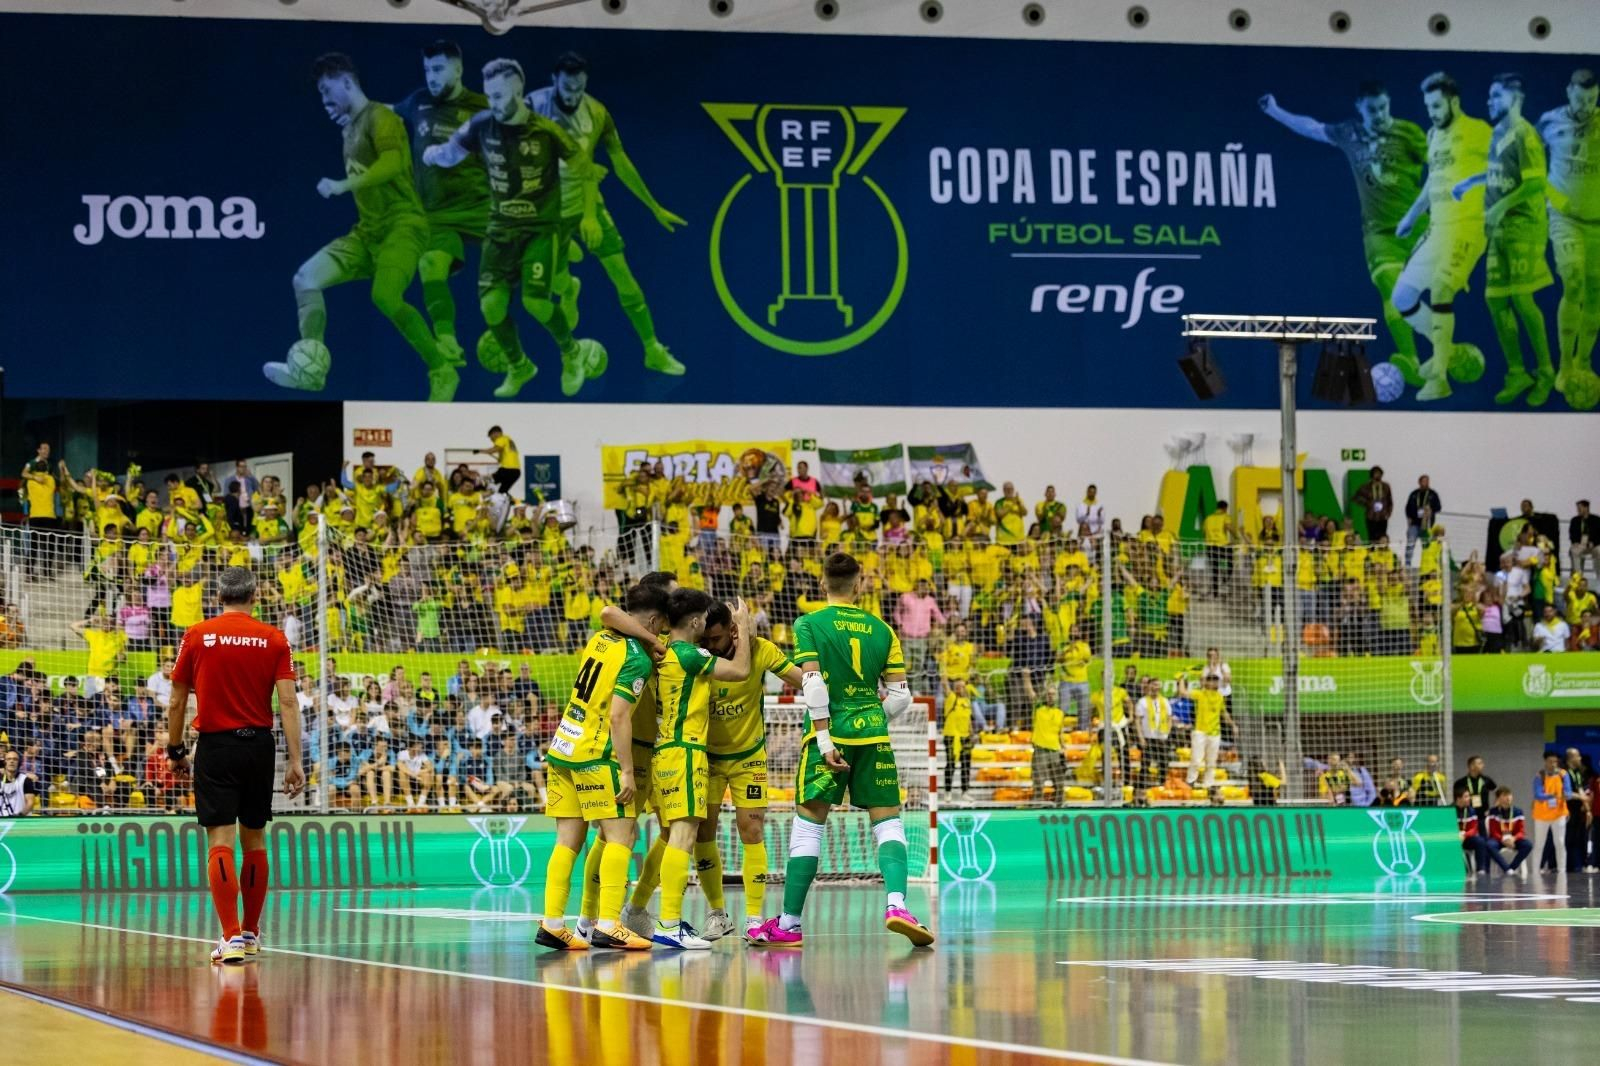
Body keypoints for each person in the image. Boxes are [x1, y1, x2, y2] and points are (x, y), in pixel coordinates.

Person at [751, 551, 934, 947]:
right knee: (888, 824)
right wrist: (870, 716)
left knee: (808, 827)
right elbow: (901, 697)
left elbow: (813, 684)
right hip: (873, 734)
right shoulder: (883, 629)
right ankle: (897, 904)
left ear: (822, 584)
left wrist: (824, 738)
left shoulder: (809, 623)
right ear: (861, 583)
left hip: (827, 735)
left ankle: (790, 923)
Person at [264, 53, 458, 402]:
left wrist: (342, 185)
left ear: (348, 83)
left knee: (384, 297)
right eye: (320, 94)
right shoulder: (350, 129)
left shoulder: (380, 117)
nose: (323, 101)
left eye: (327, 90)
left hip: (404, 226)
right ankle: (311, 371)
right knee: (305, 280)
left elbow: (393, 162)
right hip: (367, 233)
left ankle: (441, 369)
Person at [423, 57, 606, 399]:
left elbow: (583, 166)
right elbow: (451, 153)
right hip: (500, 230)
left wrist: (590, 197)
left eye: (500, 95)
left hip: (540, 229)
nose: (493, 103)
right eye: (489, 95)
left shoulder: (547, 131)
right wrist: (434, 155)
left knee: (535, 302)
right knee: (491, 307)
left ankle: (571, 354)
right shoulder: (481, 124)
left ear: (519, 91)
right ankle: (520, 365)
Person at [164, 567, 304, 966]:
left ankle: (230, 938)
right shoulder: (275, 638)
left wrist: (175, 749)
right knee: (254, 839)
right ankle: (251, 932)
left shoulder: (197, 635)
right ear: (254, 596)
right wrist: (295, 761)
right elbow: (289, 703)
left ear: (219, 596)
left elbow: (176, 702)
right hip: (259, 746)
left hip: (217, 746)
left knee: (220, 839)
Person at [526, 51, 686, 377]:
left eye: (579, 88)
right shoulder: (530, 107)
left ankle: (653, 348)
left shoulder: (597, 113)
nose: (572, 95)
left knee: (622, 274)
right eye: (567, 88)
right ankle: (569, 288)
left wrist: (654, 207)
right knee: (553, 284)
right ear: (553, 80)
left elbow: (621, 163)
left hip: (587, 205)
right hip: (548, 211)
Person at [536, 581, 670, 952]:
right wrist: (627, 770)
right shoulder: (638, 659)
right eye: (660, 627)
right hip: (598, 754)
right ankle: (610, 923)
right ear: (655, 621)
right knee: (621, 836)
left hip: (563, 747)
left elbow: (610, 613)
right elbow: (619, 717)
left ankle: (552, 923)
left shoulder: (599, 639)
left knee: (567, 843)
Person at [1258, 83, 1427, 373]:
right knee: (1391, 289)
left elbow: (1441, 168)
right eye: (1372, 110)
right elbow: (1312, 128)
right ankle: (1410, 359)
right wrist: (1276, 111)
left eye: (1383, 108)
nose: (1378, 115)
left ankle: (1445, 350)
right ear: (1360, 110)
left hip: (1418, 228)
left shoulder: (1409, 133)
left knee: (1427, 295)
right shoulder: (1350, 133)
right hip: (1378, 234)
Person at [642, 590, 753, 950]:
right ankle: (670, 922)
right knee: (684, 837)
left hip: (663, 751)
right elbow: (740, 670)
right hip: (686, 751)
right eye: (704, 618)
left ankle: (650, 914)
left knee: (675, 835)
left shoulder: (661, 650)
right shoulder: (690, 655)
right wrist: (745, 628)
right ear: (693, 622)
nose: (707, 624)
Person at [691, 600, 804, 941]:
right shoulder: (694, 654)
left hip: (748, 757)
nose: (710, 646)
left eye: (716, 638)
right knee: (702, 833)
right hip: (706, 757)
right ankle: (716, 914)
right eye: (705, 639)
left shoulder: (759, 649)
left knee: (751, 831)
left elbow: (800, 679)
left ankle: (754, 918)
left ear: (734, 629)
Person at [1453, 73, 1557, 405]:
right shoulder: (1500, 132)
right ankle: (1517, 372)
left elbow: (1535, 184)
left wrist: (1498, 207)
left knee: (1523, 301)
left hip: (1524, 226)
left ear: (1515, 98)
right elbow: (1501, 171)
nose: (1489, 101)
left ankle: (1545, 372)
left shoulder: (1526, 135)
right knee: (1495, 301)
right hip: (1498, 229)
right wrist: (1470, 182)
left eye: (1495, 95)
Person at [1391, 72, 1493, 401]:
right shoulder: (1434, 135)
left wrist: (1469, 184)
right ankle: (1445, 349)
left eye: (1437, 105)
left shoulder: (1478, 131)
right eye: (1428, 107)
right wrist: (1410, 216)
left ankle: (1439, 377)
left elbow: (1501, 171)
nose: (1432, 112)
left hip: (1467, 227)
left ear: (1454, 101)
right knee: (1402, 297)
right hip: (1438, 229)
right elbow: (1432, 182)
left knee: (1441, 289)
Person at [393, 39, 490, 371]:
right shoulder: (418, 102)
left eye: (438, 69)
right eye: (427, 70)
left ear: (458, 69)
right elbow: (383, 110)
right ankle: (447, 340)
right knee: (429, 265)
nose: (431, 77)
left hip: (481, 207)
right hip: (437, 214)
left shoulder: (483, 106)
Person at [1536, 69, 1600, 404]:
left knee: (1595, 293)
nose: (1586, 105)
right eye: (1580, 98)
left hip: (1599, 224)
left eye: (1593, 99)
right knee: (1572, 282)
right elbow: (1530, 160)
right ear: (1568, 91)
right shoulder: (1548, 121)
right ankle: (1564, 365)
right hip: (1565, 219)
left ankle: (1584, 361)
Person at [1182, 672, 1234, 790]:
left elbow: (1224, 712)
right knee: (1196, 758)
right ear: (1206, 682)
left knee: (1211, 761)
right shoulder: (1200, 694)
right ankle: (1191, 780)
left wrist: (1233, 725)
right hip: (1200, 731)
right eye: (1211, 680)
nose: (1214, 683)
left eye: (1216, 680)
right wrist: (1180, 678)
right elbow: (1183, 693)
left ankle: (1208, 784)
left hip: (1215, 733)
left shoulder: (1220, 696)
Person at [1531, 750, 1577, 874]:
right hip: (1541, 815)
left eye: (1555, 762)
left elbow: (1567, 791)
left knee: (1560, 842)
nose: (1553, 764)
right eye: (1550, 761)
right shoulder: (1539, 775)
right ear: (1545, 761)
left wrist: (1566, 795)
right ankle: (1536, 870)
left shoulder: (1563, 774)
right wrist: (1554, 795)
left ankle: (1562, 870)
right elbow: (1538, 795)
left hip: (1559, 813)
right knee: (1539, 844)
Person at [1486, 787, 1534, 876]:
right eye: (1504, 795)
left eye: (1509, 795)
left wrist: (1513, 838)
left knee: (1528, 845)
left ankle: (1511, 868)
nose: (1508, 797)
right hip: (1499, 840)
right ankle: (1506, 868)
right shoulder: (1493, 812)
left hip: (1513, 839)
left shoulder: (1518, 811)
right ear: (1498, 799)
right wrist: (1503, 840)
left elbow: (1521, 831)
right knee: (1489, 845)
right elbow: (1493, 831)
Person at [1453, 755, 1498, 833]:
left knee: (1483, 838)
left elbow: (1498, 793)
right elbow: (1457, 800)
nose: (1482, 765)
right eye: (1479, 763)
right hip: (1467, 815)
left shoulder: (1486, 780)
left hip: (1482, 816)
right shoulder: (1461, 782)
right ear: (1471, 766)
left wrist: (1493, 808)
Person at [1405, 475, 1442, 566]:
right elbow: (1407, 507)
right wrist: (1409, 518)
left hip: (1427, 525)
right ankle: (1407, 563)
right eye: (1424, 481)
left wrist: (1430, 509)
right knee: (1410, 542)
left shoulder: (1433, 494)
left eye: (1427, 481)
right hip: (1414, 523)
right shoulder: (1414, 494)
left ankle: (1426, 564)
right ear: (1419, 482)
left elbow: (1438, 507)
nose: (1426, 483)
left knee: (1427, 546)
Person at [1351, 467, 1394, 542]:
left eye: (1379, 473)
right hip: (1371, 516)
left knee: (1383, 536)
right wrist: (1366, 503)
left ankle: (1381, 552)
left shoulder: (1386, 486)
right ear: (1372, 475)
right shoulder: (1366, 486)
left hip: (1383, 516)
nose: (1378, 475)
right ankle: (1372, 552)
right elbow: (1355, 497)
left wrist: (1389, 512)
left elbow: (1389, 500)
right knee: (1372, 537)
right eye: (1376, 473)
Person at [479, 425, 521, 497]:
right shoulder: (509, 440)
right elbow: (504, 455)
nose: (492, 440)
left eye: (491, 437)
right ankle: (509, 502)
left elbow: (493, 450)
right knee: (502, 492)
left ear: (496, 433)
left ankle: (480, 495)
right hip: (516, 472)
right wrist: (499, 459)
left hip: (507, 470)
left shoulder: (501, 439)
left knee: (486, 481)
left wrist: (482, 451)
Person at [1455, 787, 1486, 873]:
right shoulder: (1451, 811)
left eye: (1469, 796)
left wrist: (1465, 835)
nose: (1469, 799)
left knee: (1480, 841)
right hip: (1455, 839)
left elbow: (1474, 829)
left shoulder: (1471, 810)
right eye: (1466, 796)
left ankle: (1481, 869)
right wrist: (1457, 835)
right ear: (1459, 798)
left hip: (1467, 839)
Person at [0, 750, 38, 817]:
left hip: (20, 821)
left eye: (15, 759)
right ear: (4, 762)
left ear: (19, 763)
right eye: (9, 759)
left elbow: (30, 803)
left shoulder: (26, 780)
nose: (12, 761)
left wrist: (19, 816)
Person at [1570, 500, 1600, 579]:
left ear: (1586, 508)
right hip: (1580, 543)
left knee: (1599, 551)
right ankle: (1578, 576)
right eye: (1577, 508)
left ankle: (1599, 575)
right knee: (1574, 550)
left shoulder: (1596, 519)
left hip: (1593, 544)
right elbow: (1572, 533)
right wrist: (1575, 542)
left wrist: (1593, 542)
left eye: (1580, 508)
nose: (1578, 510)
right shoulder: (1575, 520)